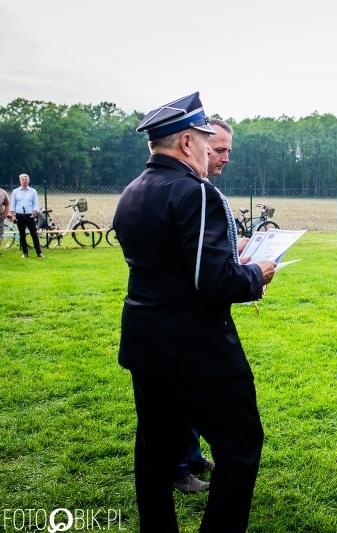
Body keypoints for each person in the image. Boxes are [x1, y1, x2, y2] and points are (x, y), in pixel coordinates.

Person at [113, 92, 276, 533]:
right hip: (198, 349)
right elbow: (213, 282)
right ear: (186, 142)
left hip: (146, 344)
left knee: (154, 452)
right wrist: (256, 273)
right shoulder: (195, 192)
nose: (210, 150)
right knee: (241, 446)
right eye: (206, 141)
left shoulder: (131, 191)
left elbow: (168, 264)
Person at [171, 118, 237, 494]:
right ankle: (180, 466)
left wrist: (235, 249)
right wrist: (247, 275)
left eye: (228, 150)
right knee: (187, 393)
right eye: (219, 149)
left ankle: (192, 456)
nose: (224, 157)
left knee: (192, 392)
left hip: (195, 317)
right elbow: (198, 267)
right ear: (195, 144)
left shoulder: (203, 188)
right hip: (191, 320)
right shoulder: (194, 192)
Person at [9, 173, 43, 258]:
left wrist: (34, 213)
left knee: (34, 234)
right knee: (22, 235)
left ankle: (39, 252)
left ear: (28, 181)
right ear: (20, 181)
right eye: (23, 179)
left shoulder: (33, 191)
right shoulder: (15, 192)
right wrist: (13, 215)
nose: (24, 181)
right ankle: (25, 253)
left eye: (26, 179)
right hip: (19, 216)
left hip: (30, 216)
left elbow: (35, 203)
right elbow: (13, 204)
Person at [0, 186, 9, 252]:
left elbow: (7, 204)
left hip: (0, 218)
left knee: (0, 235)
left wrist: (5, 214)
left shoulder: (2, 192)